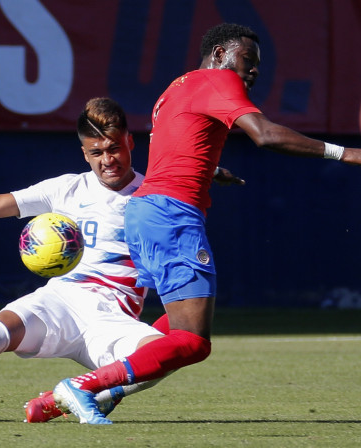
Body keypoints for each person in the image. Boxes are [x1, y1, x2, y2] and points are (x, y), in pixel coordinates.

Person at [0, 97, 241, 424]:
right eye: (96, 152)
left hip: (113, 316)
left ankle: (55, 401)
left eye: (114, 149)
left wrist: (210, 173)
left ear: (129, 141)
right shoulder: (67, 188)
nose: (107, 160)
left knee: (161, 358)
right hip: (59, 301)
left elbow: (188, 171)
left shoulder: (154, 194)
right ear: (84, 152)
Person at [50, 23, 361, 423]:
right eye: (247, 60)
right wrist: (348, 153)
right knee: (193, 341)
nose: (252, 72)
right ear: (218, 54)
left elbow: (174, 143)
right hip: (171, 215)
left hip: (147, 212)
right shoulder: (219, 80)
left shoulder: (175, 89)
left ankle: (55, 401)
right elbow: (265, 135)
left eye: (257, 66)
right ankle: (85, 386)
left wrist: (209, 168)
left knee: (179, 328)